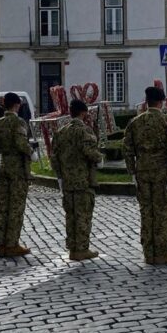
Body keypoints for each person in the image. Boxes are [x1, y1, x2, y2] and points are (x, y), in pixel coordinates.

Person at [123, 86, 167, 265]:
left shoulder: (135, 122)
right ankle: (163, 252)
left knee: (146, 212)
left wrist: (132, 171)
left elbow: (127, 149)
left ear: (147, 101)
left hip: (142, 171)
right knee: (163, 212)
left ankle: (148, 252)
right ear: (161, 102)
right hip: (162, 173)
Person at [0, 91, 35, 257]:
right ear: (17, 105)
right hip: (17, 170)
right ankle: (12, 244)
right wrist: (31, 152)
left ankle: (2, 245)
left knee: (3, 208)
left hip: (3, 169)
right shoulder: (18, 122)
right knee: (16, 207)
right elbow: (21, 142)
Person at [51, 99, 103, 261]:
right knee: (83, 215)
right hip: (82, 180)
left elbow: (54, 157)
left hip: (67, 181)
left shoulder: (61, 132)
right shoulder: (84, 130)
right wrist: (100, 159)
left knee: (70, 215)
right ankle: (81, 249)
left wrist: (59, 176)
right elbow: (89, 151)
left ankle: (72, 247)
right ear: (83, 113)